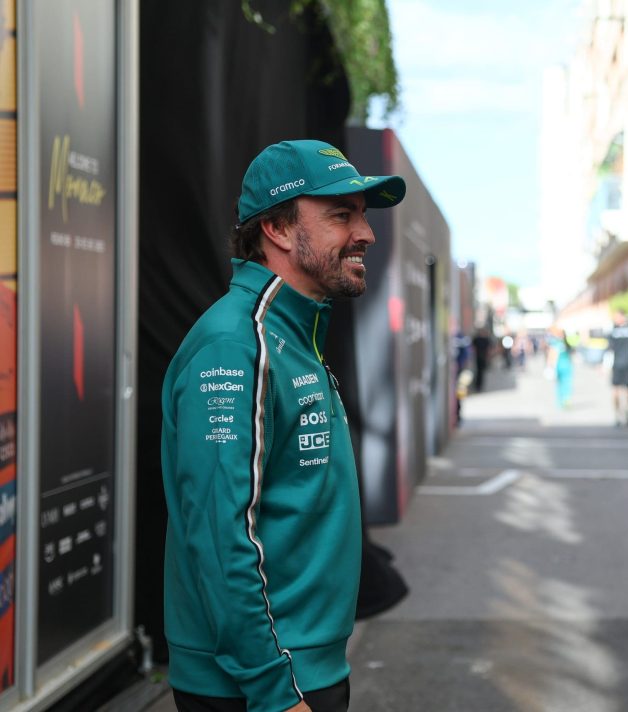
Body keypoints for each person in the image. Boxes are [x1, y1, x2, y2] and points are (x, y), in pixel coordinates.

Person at [160, 139, 405, 712]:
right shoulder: (235, 345)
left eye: (362, 215)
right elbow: (220, 537)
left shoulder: (291, 333)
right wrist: (275, 691)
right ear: (276, 228)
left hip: (299, 668)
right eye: (341, 215)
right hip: (262, 685)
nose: (366, 234)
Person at [606, 311, 628, 426]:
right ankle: (619, 414)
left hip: (626, 364)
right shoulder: (618, 331)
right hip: (618, 364)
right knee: (616, 390)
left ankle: (626, 412)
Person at [547, 328, 574, 409]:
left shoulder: (565, 343)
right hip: (559, 365)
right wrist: (550, 366)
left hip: (566, 365)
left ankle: (565, 400)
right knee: (560, 384)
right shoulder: (555, 343)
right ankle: (561, 401)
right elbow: (551, 355)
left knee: (566, 383)